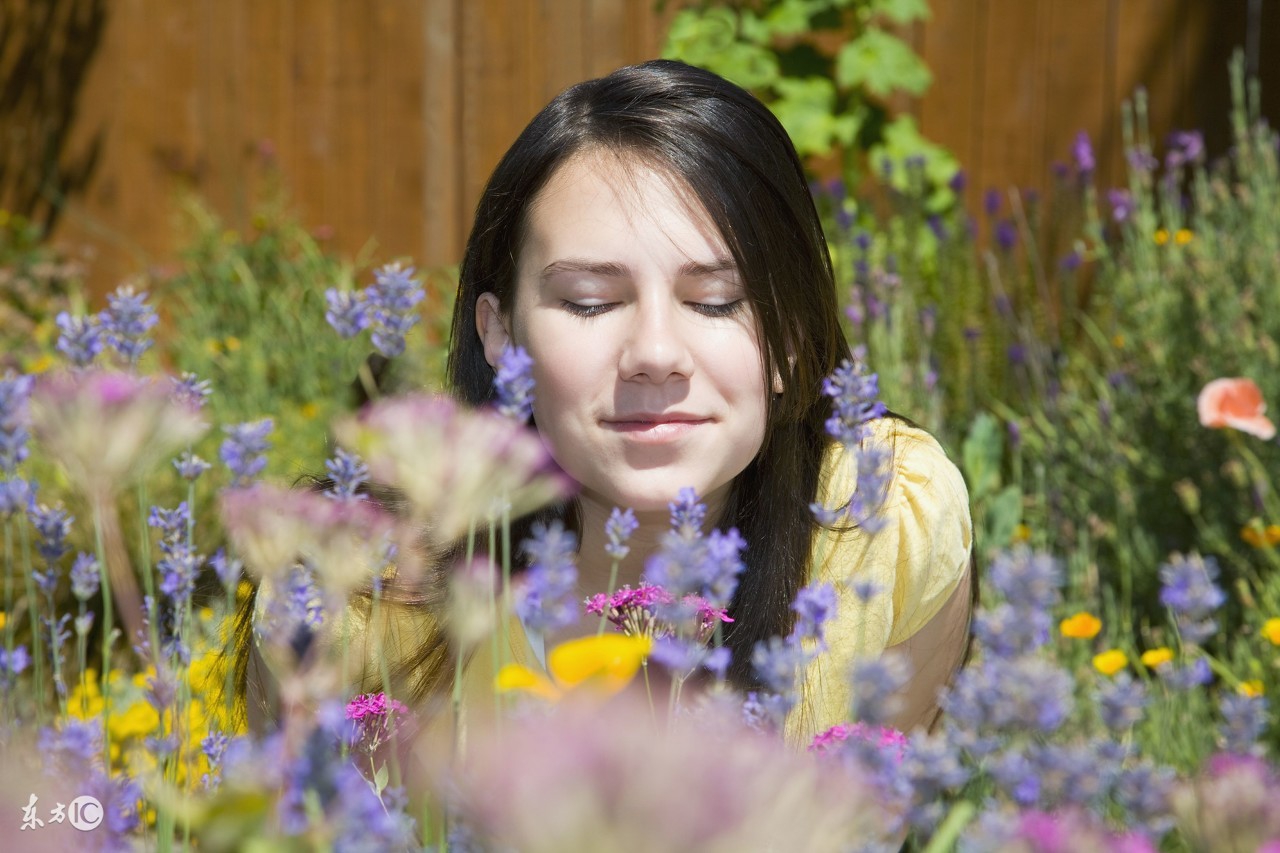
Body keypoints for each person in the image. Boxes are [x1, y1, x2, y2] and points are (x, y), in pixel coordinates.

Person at [239, 59, 972, 745]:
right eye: (590, 302)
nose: (655, 351)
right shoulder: (354, 606)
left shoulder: (885, 522)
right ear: (498, 335)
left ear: (791, 339)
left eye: (717, 301)